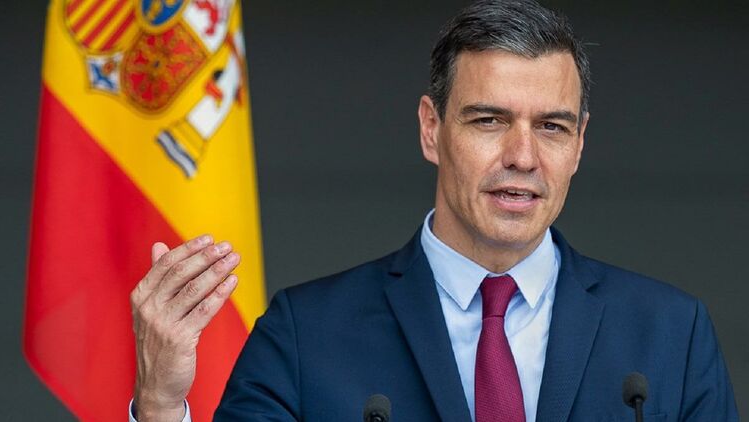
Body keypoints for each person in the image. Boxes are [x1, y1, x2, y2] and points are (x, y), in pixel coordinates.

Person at [129, 0, 739, 421]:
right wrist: (159, 406)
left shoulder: (671, 333)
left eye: (551, 127)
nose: (522, 156)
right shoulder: (306, 334)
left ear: (579, 144)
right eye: (489, 120)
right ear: (431, 129)